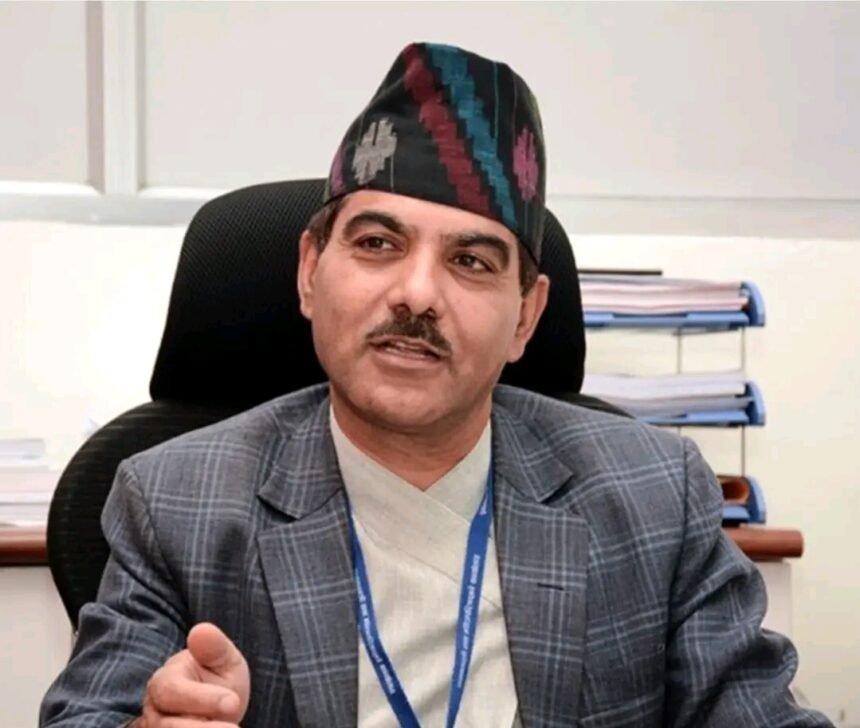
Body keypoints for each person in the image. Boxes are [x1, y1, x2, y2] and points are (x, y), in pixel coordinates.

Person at [40, 42, 830, 728]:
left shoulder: (655, 494)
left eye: (470, 261)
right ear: (310, 272)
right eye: (377, 243)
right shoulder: (174, 503)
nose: (417, 294)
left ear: (526, 316)